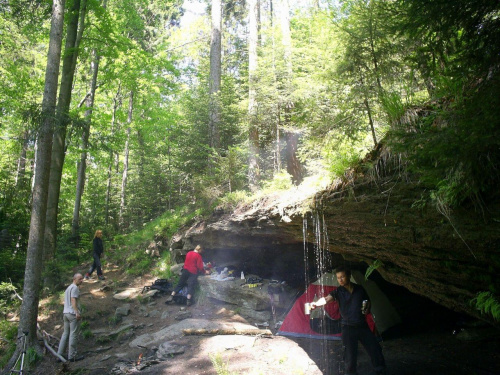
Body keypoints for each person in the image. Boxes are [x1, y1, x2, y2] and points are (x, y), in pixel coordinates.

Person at [310, 266, 386, 375]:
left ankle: (380, 371)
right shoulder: (338, 292)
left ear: (349, 276)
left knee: (375, 349)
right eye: (338, 278)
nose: (340, 280)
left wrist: (367, 308)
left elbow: (367, 301)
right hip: (348, 327)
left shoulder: (359, 289)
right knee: (350, 357)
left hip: (362, 325)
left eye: (342, 277)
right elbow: (326, 299)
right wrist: (316, 304)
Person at [57, 273, 84, 362]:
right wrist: (77, 312)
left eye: (82, 279)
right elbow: (73, 299)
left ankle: (59, 354)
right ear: (74, 279)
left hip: (65, 313)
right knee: (73, 334)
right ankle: (72, 356)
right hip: (72, 314)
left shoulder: (68, 288)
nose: (81, 280)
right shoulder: (75, 288)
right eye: (80, 279)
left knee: (65, 333)